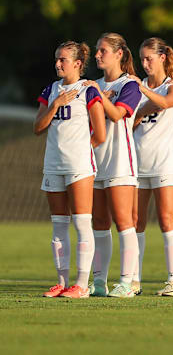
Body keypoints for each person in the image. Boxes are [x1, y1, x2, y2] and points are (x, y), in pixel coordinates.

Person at [35, 41, 106, 298]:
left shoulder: (87, 90)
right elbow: (38, 126)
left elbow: (100, 133)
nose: (57, 63)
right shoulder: (51, 89)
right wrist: (54, 105)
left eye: (63, 59)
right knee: (58, 225)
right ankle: (62, 282)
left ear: (77, 63)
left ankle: (82, 284)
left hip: (78, 166)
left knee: (81, 222)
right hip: (53, 163)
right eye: (57, 59)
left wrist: (80, 152)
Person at [85, 33, 142, 298]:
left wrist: (97, 95)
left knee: (123, 221)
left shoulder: (130, 83)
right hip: (94, 160)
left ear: (119, 54)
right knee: (98, 222)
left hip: (120, 160)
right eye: (97, 50)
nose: (97, 55)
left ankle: (127, 282)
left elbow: (118, 114)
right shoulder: (92, 84)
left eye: (103, 50)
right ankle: (99, 282)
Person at [132, 37, 173, 296]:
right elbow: (128, 122)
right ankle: (134, 280)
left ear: (162, 57)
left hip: (165, 163)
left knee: (166, 220)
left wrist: (141, 97)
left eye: (149, 58)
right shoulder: (139, 84)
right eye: (141, 59)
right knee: (135, 222)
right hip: (138, 163)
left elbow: (166, 102)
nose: (144, 64)